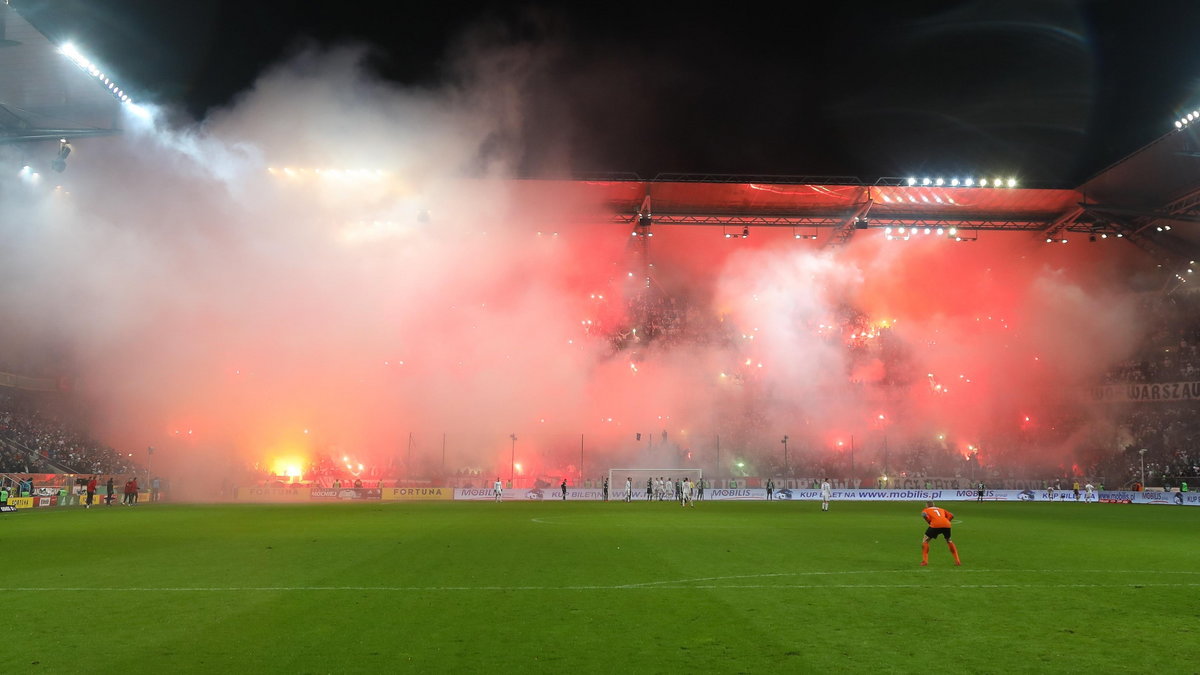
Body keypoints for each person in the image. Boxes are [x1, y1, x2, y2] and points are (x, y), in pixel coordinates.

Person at [920, 501, 961, 566]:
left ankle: (925, 561)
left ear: (927, 505)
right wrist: (947, 521)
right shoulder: (941, 509)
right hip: (947, 524)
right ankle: (957, 561)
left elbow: (924, 515)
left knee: (925, 540)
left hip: (935, 525)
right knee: (949, 540)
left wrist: (928, 520)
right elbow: (951, 515)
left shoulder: (926, 510)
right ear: (934, 505)